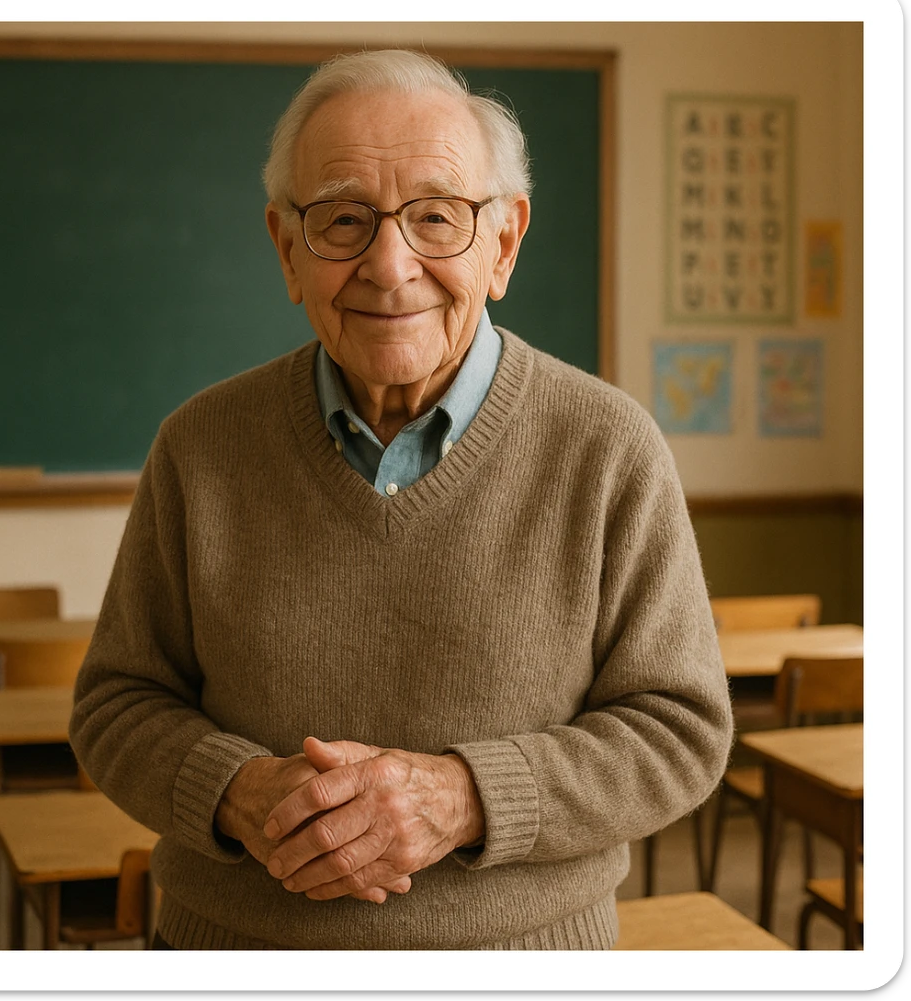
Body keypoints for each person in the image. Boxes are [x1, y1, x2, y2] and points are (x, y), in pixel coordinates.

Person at [69, 48, 733, 951]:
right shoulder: (200, 446)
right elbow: (117, 706)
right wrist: (240, 792)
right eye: (343, 219)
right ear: (286, 248)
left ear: (503, 244)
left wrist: (462, 797)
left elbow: (681, 733)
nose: (390, 265)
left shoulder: (608, 448)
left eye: (436, 217)